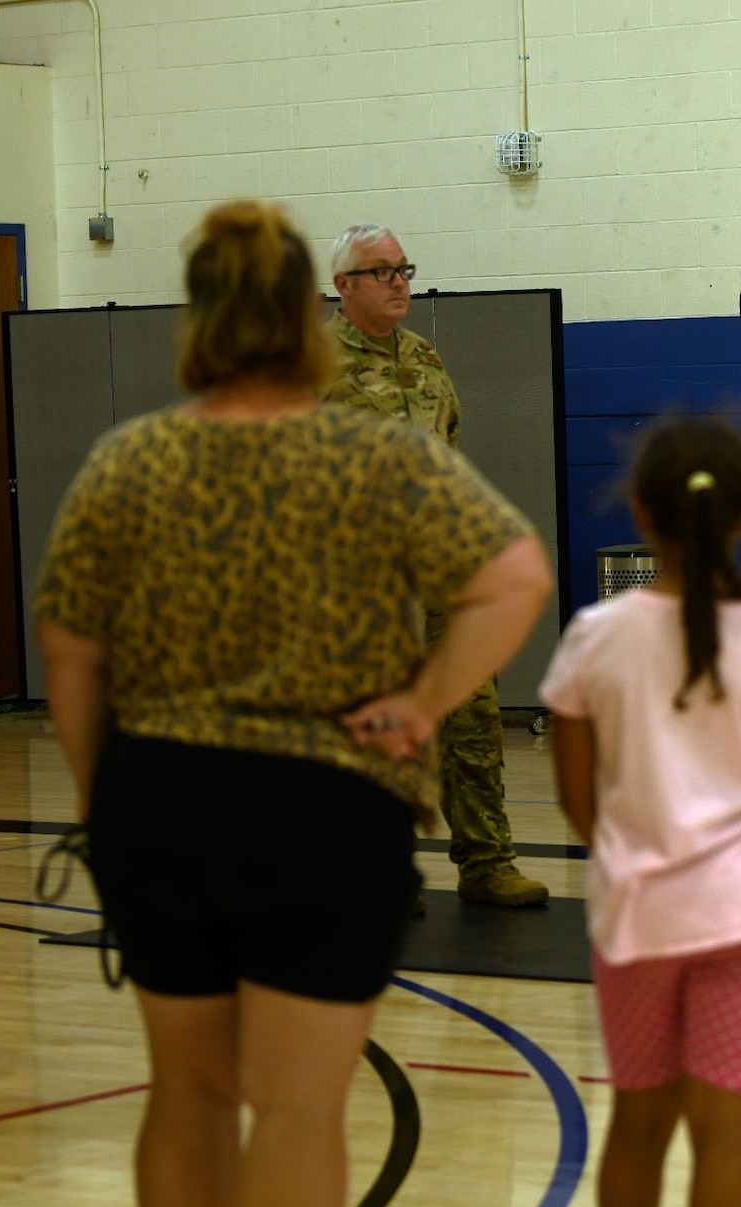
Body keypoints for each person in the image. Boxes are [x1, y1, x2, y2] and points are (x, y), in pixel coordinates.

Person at [35, 200, 550, 1207]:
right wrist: (416, 702)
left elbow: (71, 654)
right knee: (302, 1111)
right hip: (323, 804)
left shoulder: (126, 462)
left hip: (163, 802)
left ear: (202, 318)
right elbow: (515, 576)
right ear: (306, 313)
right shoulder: (379, 460)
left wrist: (106, 803)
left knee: (185, 1098)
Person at [541, 417, 741, 1207]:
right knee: (726, 1132)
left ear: (639, 515)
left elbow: (577, 800)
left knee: (639, 1122)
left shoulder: (593, 636)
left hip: (635, 910)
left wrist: (636, 851)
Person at [323, 223, 549, 909]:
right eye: (383, 271)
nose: (399, 282)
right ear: (343, 286)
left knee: (472, 715)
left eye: (404, 269)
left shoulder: (424, 357)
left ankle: (486, 861)